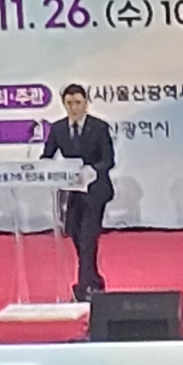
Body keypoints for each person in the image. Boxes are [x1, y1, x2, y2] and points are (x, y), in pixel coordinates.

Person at [43, 84, 116, 308]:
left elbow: (108, 160)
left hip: (95, 191)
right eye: (69, 103)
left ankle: (83, 287)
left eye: (78, 103)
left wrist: (91, 170)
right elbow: (47, 156)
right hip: (72, 193)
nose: (74, 108)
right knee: (76, 236)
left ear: (86, 103)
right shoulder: (58, 129)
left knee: (87, 238)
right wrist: (43, 169)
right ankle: (94, 279)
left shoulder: (99, 127)